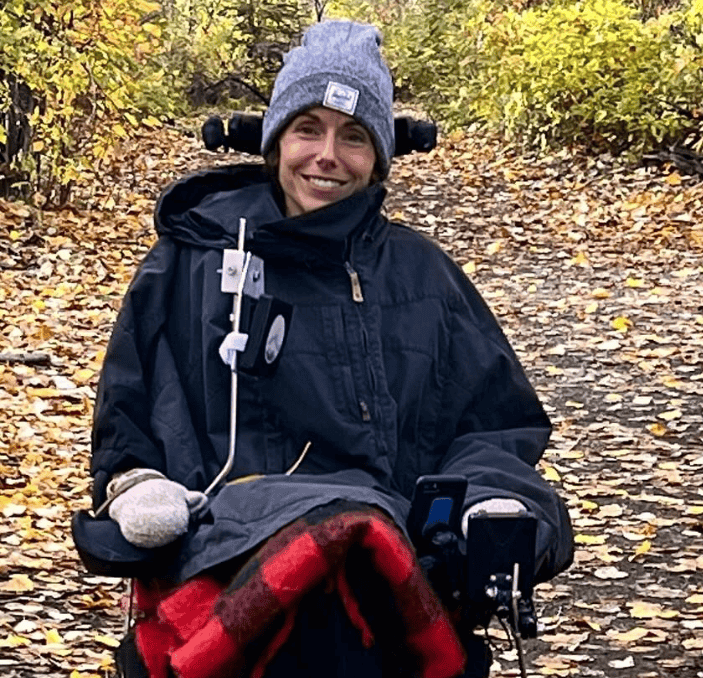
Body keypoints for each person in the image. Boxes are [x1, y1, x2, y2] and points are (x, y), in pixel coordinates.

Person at [80, 19, 574, 678]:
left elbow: (493, 427)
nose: (327, 156)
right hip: (226, 556)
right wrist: (137, 483)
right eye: (307, 129)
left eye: (354, 137)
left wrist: (491, 501)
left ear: (379, 157)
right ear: (276, 140)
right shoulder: (192, 264)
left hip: (390, 570)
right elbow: (133, 408)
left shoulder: (422, 275)